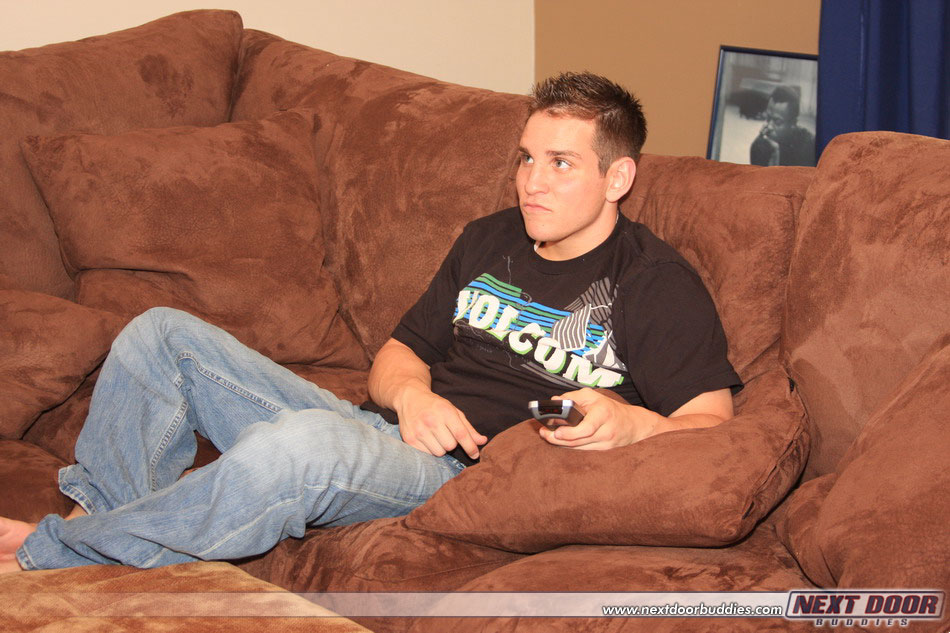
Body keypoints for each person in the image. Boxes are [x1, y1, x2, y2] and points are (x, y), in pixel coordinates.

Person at [0, 71, 741, 574]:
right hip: (385, 429)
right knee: (158, 333)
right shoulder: (489, 238)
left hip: (459, 475)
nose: (531, 182)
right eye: (525, 159)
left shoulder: (654, 284)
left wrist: (633, 424)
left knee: (299, 446)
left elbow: (715, 426)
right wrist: (413, 397)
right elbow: (396, 355)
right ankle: (102, 534)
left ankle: (62, 548)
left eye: (560, 164)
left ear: (618, 177)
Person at [750, 85, 816, 167]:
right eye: (768, 118)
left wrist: (776, 157)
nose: (769, 126)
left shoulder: (810, 147)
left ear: (793, 123)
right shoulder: (759, 145)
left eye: (777, 122)